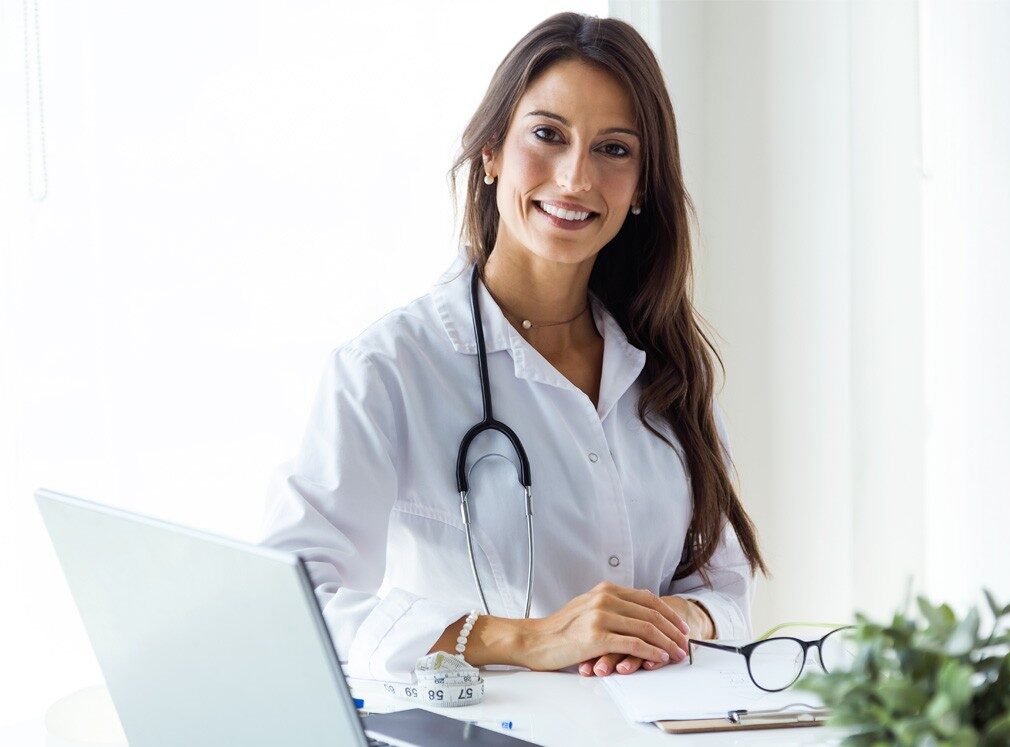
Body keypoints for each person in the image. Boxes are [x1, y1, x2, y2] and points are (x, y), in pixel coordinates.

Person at [259, 11, 768, 683]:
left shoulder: (666, 364)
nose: (574, 178)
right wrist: (524, 638)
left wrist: (665, 623)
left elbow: (726, 589)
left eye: (614, 149)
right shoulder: (389, 368)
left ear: (642, 184)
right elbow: (292, 600)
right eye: (547, 136)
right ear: (491, 151)